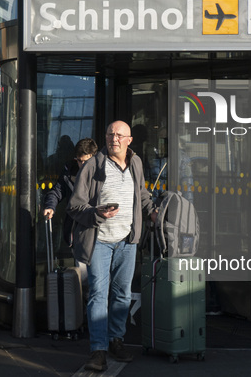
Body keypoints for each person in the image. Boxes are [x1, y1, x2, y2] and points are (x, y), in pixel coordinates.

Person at [67, 121, 157, 372]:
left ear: (129, 140)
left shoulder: (136, 164)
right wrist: (97, 214)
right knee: (98, 295)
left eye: (119, 135)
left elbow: (142, 195)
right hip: (100, 243)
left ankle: (116, 340)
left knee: (122, 296)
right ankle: (98, 350)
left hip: (127, 242)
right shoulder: (92, 165)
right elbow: (75, 206)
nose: (113, 139)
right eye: (109, 134)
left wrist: (152, 213)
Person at [43, 138, 98, 247]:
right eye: (79, 160)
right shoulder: (69, 171)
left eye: (86, 161)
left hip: (96, 229)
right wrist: (50, 206)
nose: (82, 165)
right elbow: (57, 191)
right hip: (76, 228)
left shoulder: (102, 173)